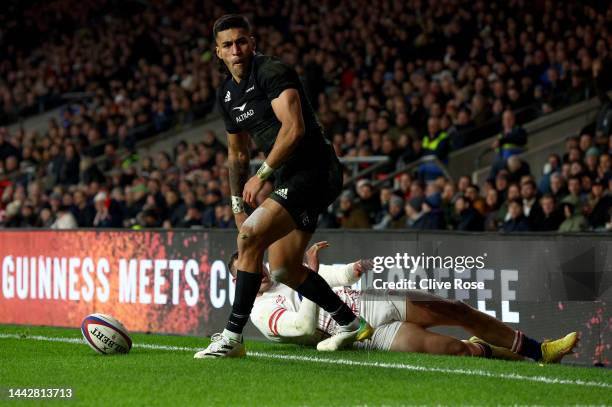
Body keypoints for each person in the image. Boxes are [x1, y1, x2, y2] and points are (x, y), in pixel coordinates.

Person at [195, 15, 372, 359]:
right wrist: (236, 204)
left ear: (253, 42)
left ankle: (232, 338)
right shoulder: (227, 93)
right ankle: (350, 323)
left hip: (315, 169)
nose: (236, 50)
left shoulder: (272, 72)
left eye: (242, 41)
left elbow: (294, 129)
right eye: (228, 45)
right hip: (289, 176)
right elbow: (237, 152)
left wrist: (261, 175)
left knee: (249, 238)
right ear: (218, 52)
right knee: (283, 268)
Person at [229, 241, 578, 363]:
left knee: (456, 308)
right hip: (362, 337)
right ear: (237, 280)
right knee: (461, 352)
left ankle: (540, 350)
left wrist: (351, 270)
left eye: (256, 264)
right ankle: (492, 349)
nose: (258, 271)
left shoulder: (280, 272)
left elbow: (336, 277)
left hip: (371, 304)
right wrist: (312, 278)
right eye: (248, 270)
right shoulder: (260, 312)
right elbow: (304, 328)